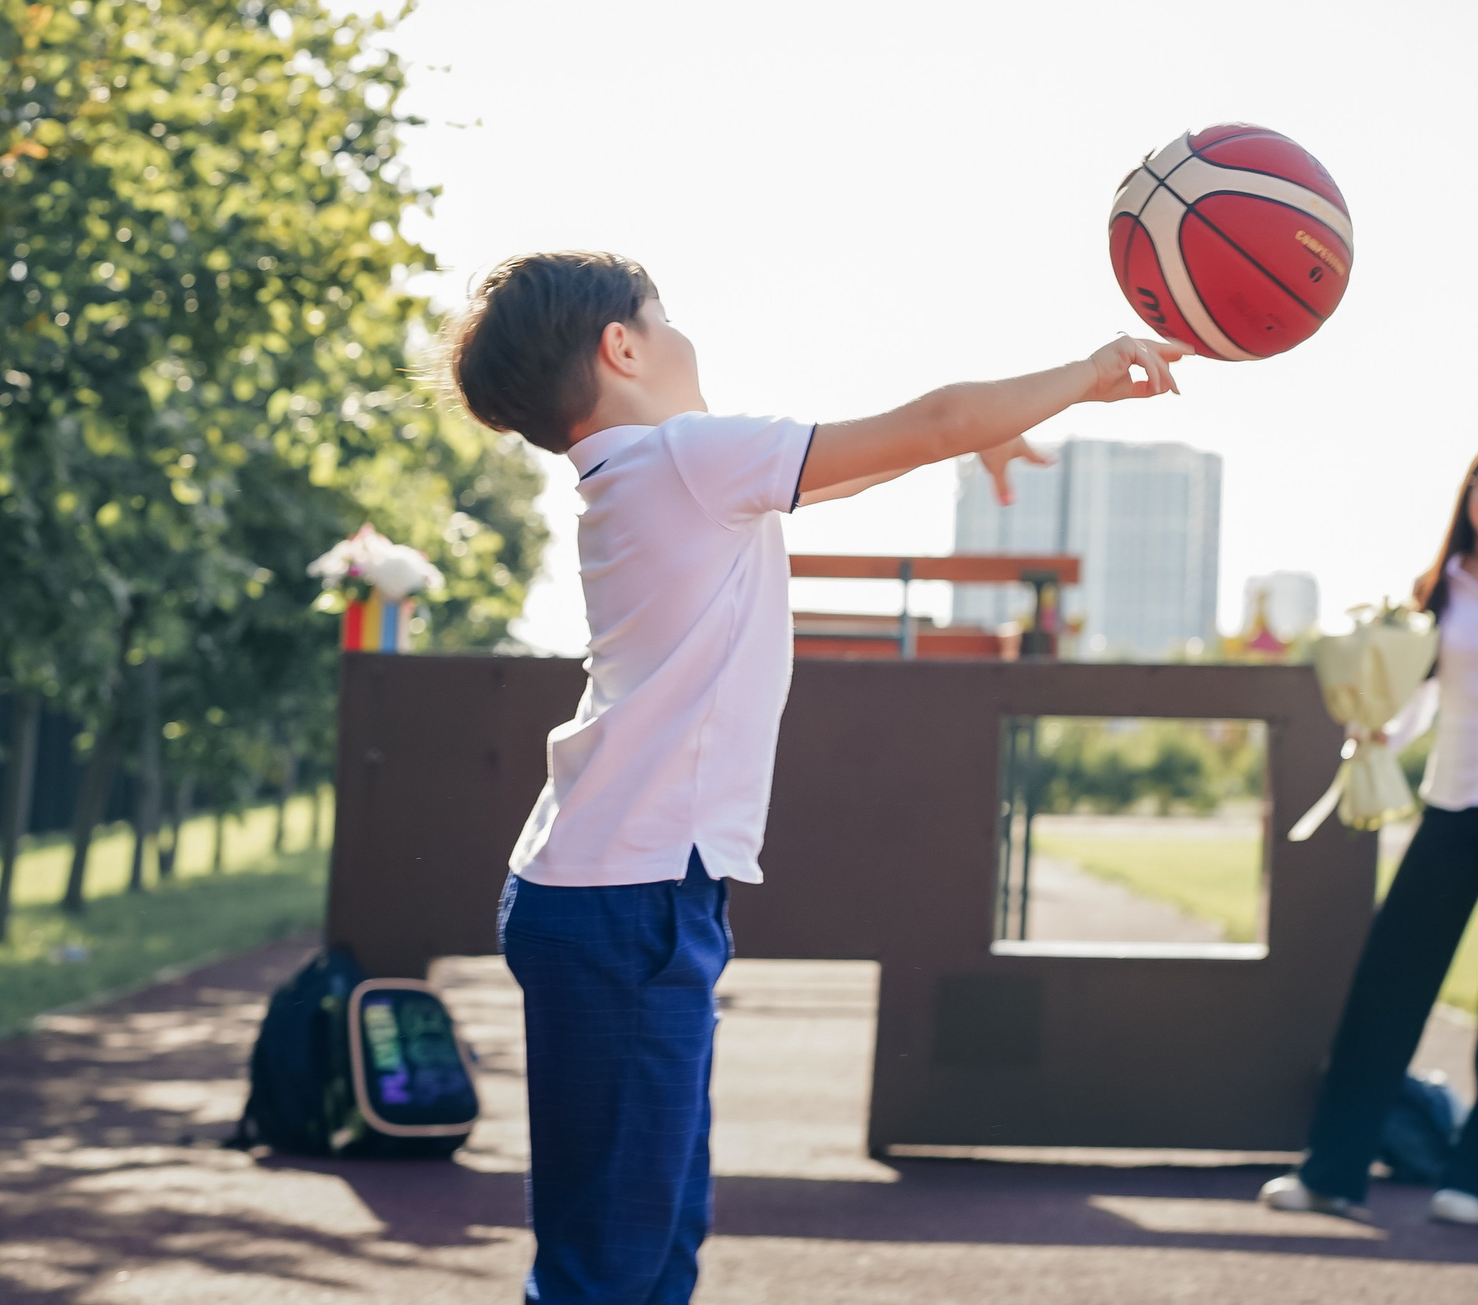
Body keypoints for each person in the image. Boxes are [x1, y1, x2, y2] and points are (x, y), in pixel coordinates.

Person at [445, 251, 1185, 1303]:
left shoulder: (655, 478)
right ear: (623, 347)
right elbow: (926, 420)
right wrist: (1086, 372)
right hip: (626, 901)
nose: (685, 338)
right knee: (607, 1261)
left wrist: (968, 442)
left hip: (629, 891)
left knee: (655, 1236)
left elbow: (868, 458)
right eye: (668, 318)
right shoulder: (685, 460)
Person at [1260, 437, 1478, 1226]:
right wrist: (1384, 730)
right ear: (1468, 494)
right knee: (1389, 982)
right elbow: (1423, 692)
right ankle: (1332, 1169)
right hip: (1452, 802)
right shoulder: (1437, 588)